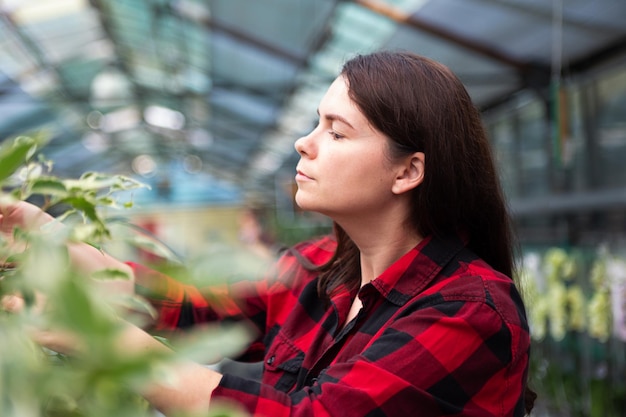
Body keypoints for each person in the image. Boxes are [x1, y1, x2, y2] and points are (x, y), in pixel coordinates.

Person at [0, 50, 535, 416]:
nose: (305, 143)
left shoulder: (469, 312)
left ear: (407, 171)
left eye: (336, 131)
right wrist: (47, 241)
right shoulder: (320, 270)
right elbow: (183, 303)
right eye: (315, 123)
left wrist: (98, 337)